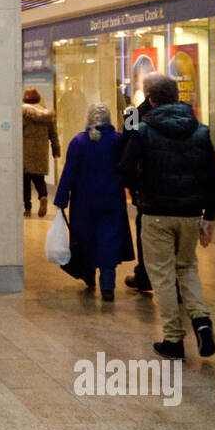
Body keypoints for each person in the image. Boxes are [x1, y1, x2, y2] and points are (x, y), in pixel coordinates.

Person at [118, 75, 215, 360]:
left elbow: (125, 167)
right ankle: (201, 321)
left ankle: (174, 339)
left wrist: (139, 191)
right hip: (190, 214)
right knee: (188, 267)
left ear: (151, 100)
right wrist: (210, 216)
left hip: (156, 214)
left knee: (162, 274)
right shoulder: (200, 132)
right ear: (178, 97)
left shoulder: (143, 130)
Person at [53, 103, 134, 301]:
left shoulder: (79, 142)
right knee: (109, 241)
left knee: (85, 238)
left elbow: (69, 172)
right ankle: (108, 286)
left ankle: (88, 275)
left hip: (84, 202)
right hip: (112, 200)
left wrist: (61, 198)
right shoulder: (118, 140)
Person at [119, 72, 163, 294]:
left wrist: (131, 186)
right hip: (179, 193)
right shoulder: (185, 116)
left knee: (145, 231)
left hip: (146, 188)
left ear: (147, 92)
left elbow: (126, 152)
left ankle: (144, 275)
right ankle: (176, 281)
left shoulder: (134, 115)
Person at [22, 88, 61, 217]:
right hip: (41, 150)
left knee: (25, 180)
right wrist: (56, 150)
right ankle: (43, 196)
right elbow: (53, 135)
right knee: (39, 178)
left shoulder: (22, 113)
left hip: (25, 150)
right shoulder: (47, 115)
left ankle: (27, 208)